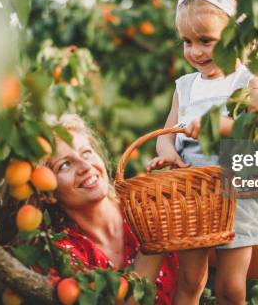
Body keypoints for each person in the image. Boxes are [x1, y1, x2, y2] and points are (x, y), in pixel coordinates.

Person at [147, 0, 258, 305]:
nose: (195, 52)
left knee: (231, 286)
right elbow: (166, 134)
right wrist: (169, 154)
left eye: (206, 41)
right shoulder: (185, 86)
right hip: (193, 194)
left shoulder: (249, 83)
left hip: (237, 194)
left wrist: (217, 125)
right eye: (187, 42)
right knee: (190, 281)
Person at [42, 114, 178, 305]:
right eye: (65, 165)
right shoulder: (60, 254)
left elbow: (219, 256)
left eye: (86, 153)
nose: (85, 166)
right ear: (48, 193)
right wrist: (157, 236)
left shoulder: (143, 207)